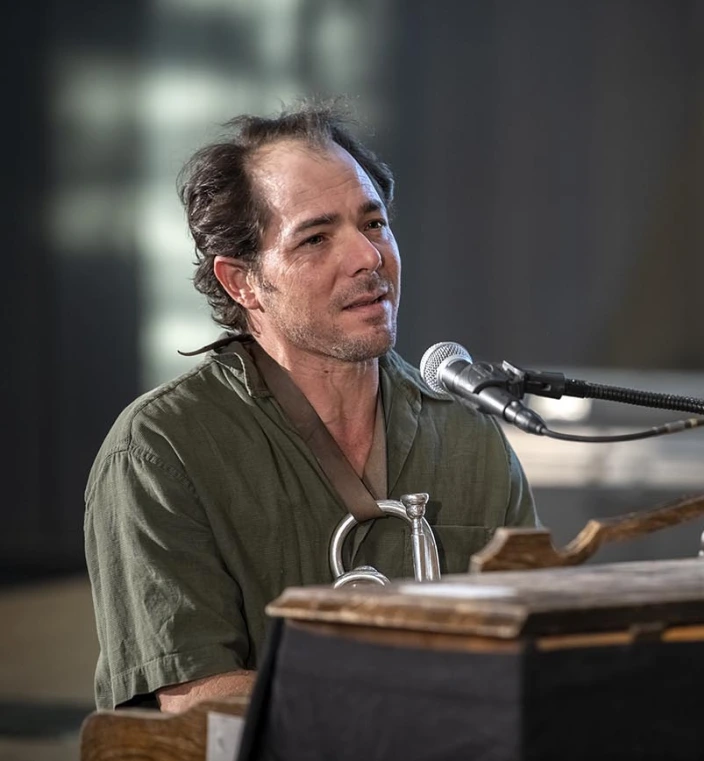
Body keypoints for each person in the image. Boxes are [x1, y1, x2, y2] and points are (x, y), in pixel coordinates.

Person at [83, 99, 538, 712]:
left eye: (373, 224)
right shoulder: (162, 450)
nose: (368, 258)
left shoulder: (466, 431)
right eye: (316, 238)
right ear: (241, 281)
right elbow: (200, 704)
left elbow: (536, 650)